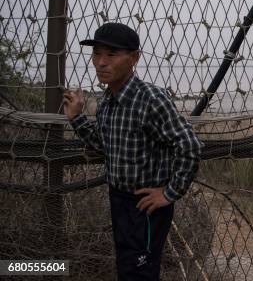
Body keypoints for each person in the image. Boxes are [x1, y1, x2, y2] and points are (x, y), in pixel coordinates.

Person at [63, 22, 203, 281]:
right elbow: (103, 145)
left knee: (141, 272)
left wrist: (170, 192)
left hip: (145, 204)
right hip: (118, 199)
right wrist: (77, 117)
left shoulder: (150, 99)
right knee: (127, 266)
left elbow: (189, 144)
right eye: (96, 54)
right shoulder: (108, 101)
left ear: (134, 58)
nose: (101, 62)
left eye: (111, 54)